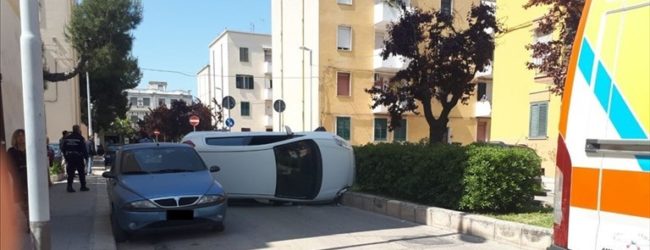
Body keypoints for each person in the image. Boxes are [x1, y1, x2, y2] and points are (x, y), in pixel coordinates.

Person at [61, 125, 89, 192]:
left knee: (70, 173)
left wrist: (66, 157)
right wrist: (86, 157)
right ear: (78, 130)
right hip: (78, 157)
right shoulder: (80, 138)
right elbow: (84, 149)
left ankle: (69, 187)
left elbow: (63, 149)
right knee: (81, 172)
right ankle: (83, 186)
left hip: (70, 157)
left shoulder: (67, 138)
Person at [6, 129, 27, 208]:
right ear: (15, 138)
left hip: (31, 179)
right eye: (19, 136)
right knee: (21, 204)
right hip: (19, 180)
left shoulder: (30, 149)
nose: (21, 137)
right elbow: (9, 166)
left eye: (23, 135)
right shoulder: (11, 151)